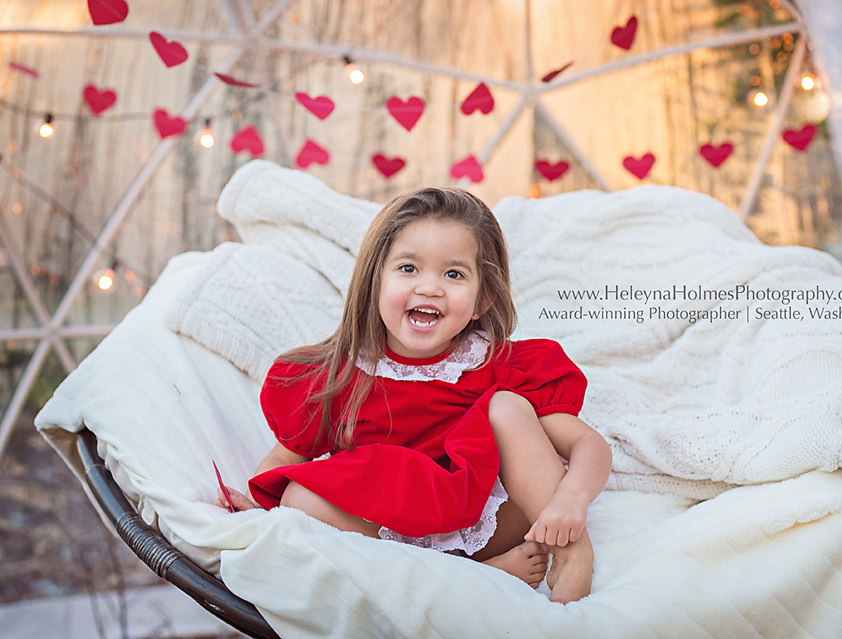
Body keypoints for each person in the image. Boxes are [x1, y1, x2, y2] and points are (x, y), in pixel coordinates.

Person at [218, 187, 612, 604]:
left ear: (484, 299)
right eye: (408, 268)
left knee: (507, 406)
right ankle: (470, 576)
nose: (430, 288)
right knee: (297, 499)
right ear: (375, 281)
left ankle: (572, 554)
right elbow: (285, 460)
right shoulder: (340, 375)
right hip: (389, 532)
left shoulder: (496, 364)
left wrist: (570, 501)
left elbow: (588, 443)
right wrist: (262, 518)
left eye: (454, 274)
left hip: (487, 521)